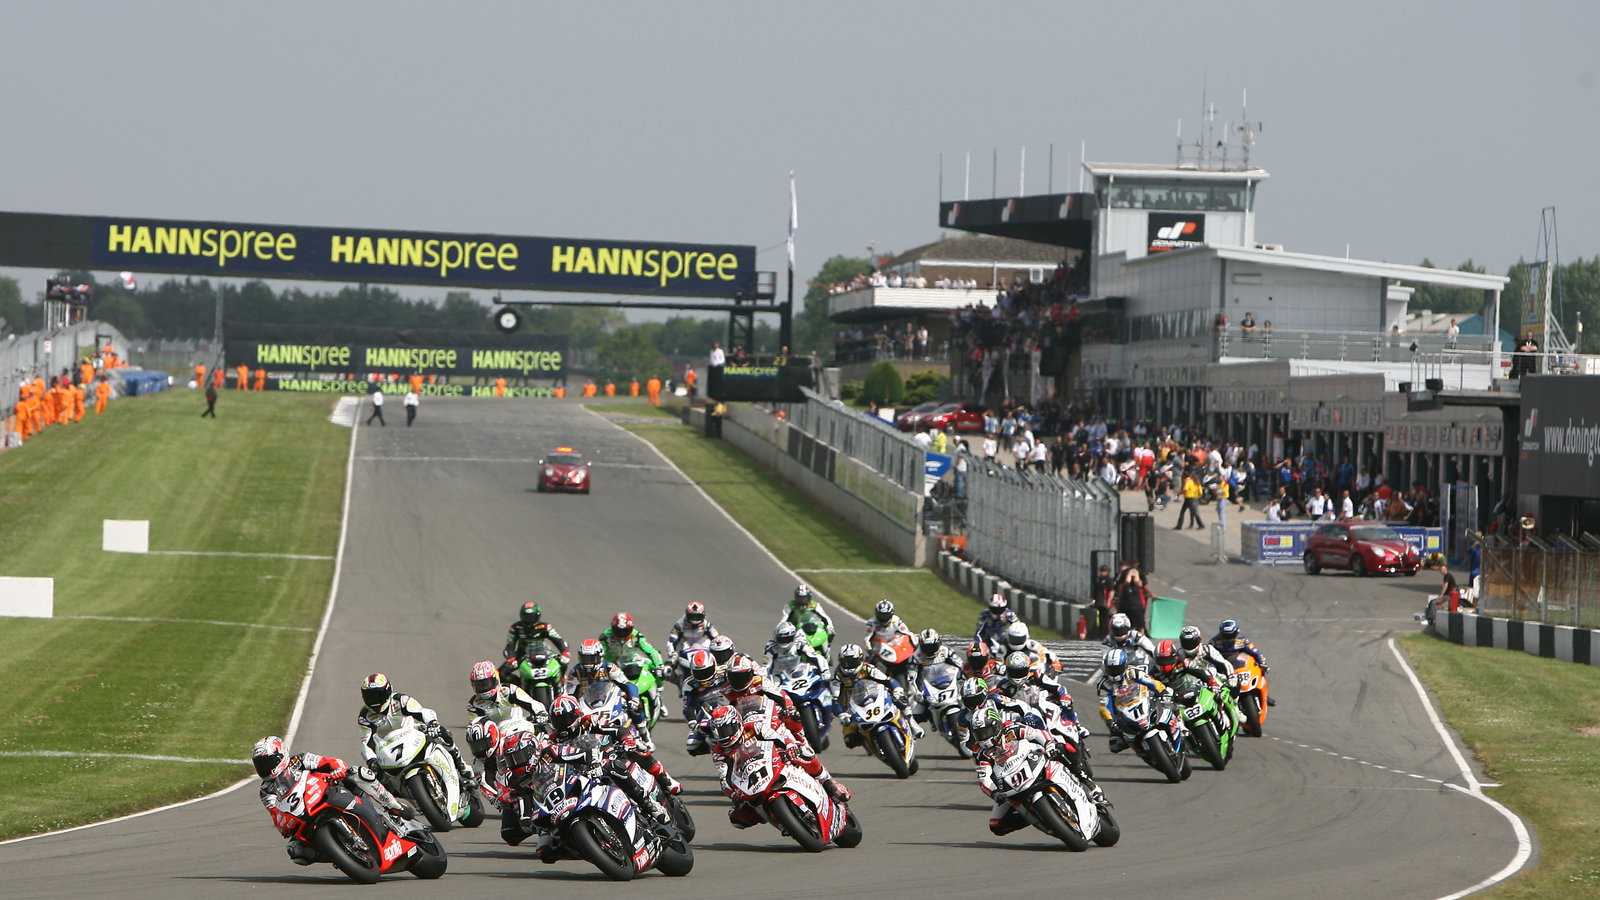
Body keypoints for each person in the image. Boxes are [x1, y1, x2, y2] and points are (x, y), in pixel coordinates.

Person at [253, 736, 414, 866]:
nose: (264, 767)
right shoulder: (265, 790)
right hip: (303, 813)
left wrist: (338, 769)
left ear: (281, 755)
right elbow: (275, 812)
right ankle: (339, 853)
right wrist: (283, 826)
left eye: (267, 762)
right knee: (296, 851)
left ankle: (394, 804)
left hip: (330, 789)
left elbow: (328, 762)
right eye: (260, 764)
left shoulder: (300, 760)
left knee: (358, 772)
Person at [969, 700, 1103, 838]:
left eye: (986, 732)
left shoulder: (1009, 728)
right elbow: (984, 778)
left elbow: (1036, 733)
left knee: (1062, 748)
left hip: (1032, 759)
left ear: (996, 726)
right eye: (979, 733)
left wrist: (1049, 744)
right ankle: (1037, 817)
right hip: (1010, 783)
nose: (983, 737)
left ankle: (1088, 783)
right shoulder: (979, 752)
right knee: (996, 826)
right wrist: (995, 794)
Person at [357, 673, 476, 786]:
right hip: (388, 749)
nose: (375, 701)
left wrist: (432, 723)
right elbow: (366, 743)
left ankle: (461, 765)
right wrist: (371, 761)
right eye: (370, 697)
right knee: (380, 779)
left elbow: (423, 711)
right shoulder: (365, 716)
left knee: (441, 732)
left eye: (378, 695)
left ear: (388, 691)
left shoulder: (400, 700)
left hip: (412, 734)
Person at [467, 659, 550, 728]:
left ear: (495, 680)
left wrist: (540, 713)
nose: (483, 688)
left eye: (486, 684)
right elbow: (475, 726)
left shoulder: (509, 690)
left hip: (521, 728)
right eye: (479, 685)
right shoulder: (474, 704)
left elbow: (531, 703)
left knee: (543, 734)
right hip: (499, 738)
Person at [502, 602, 571, 678]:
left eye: (531, 617)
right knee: (501, 674)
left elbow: (558, 640)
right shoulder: (515, 628)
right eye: (526, 617)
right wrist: (511, 659)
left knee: (563, 663)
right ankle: (518, 687)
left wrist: (564, 653)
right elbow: (510, 645)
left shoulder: (545, 627)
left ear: (538, 616)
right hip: (522, 656)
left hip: (545, 653)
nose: (528, 620)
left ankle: (561, 678)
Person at [667, 601, 722, 675]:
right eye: (692, 617)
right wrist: (673, 655)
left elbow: (717, 639)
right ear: (687, 615)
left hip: (701, 645)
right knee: (676, 669)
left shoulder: (707, 624)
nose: (694, 621)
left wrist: (719, 653)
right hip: (684, 647)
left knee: (711, 647)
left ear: (703, 616)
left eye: (697, 617)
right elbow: (671, 642)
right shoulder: (679, 625)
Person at [1114, 560, 1150, 632]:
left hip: (1136, 603)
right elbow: (1123, 585)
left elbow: (1141, 584)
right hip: (1127, 602)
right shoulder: (1124, 573)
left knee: (1140, 623)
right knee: (1127, 621)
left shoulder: (1139, 573)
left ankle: (1140, 636)